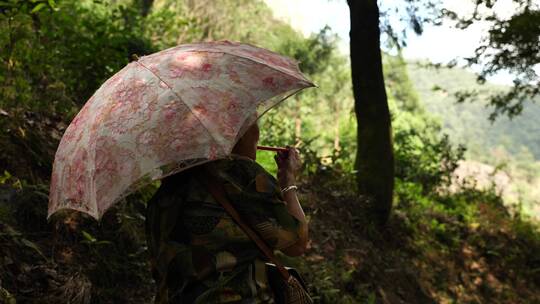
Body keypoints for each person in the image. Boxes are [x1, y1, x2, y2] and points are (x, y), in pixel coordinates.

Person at [145, 121, 309, 303]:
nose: (257, 131)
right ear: (237, 133)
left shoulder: (161, 198)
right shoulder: (240, 176)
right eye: (253, 122)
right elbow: (297, 244)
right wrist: (288, 181)